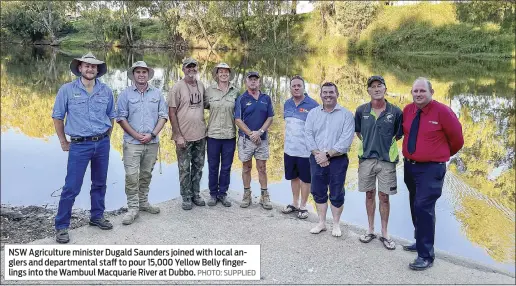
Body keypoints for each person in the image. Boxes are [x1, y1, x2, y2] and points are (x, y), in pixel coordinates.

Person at [51, 52, 116, 243]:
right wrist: (63, 141)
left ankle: (97, 216)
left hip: (102, 143)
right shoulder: (67, 90)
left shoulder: (106, 91)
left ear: (98, 70)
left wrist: (106, 138)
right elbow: (57, 117)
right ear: (80, 68)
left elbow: (111, 115)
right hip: (79, 145)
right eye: (87, 66)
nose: (90, 69)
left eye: (94, 66)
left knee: (99, 183)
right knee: (71, 186)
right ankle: (61, 226)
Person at [402, 77, 464, 270]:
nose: (418, 94)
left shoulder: (443, 112)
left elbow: (457, 141)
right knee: (415, 204)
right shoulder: (408, 110)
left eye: (422, 91)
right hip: (410, 166)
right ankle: (419, 241)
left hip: (431, 168)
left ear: (431, 92)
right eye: (415, 91)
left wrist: (438, 155)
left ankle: (426, 255)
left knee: (423, 206)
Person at [116, 61, 168, 224]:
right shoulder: (125, 94)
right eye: (138, 72)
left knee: (146, 174)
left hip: (152, 142)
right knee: (132, 176)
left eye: (144, 72)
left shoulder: (157, 94)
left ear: (148, 75)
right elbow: (121, 118)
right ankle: (132, 208)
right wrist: (136, 135)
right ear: (133, 75)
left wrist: (152, 134)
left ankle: (143, 202)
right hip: (132, 143)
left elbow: (163, 116)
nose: (141, 74)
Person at [355, 75, 403, 250]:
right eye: (372, 86)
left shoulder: (395, 112)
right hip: (366, 159)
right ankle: (370, 230)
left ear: (385, 89)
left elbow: (398, 135)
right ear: (368, 90)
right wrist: (370, 143)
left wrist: (382, 143)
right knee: (369, 194)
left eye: (379, 86)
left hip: (386, 161)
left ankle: (384, 233)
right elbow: (359, 132)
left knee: (384, 197)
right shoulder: (361, 111)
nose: (376, 89)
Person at [305, 82, 354, 237]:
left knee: (336, 193)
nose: (328, 95)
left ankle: (336, 224)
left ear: (337, 94)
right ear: (320, 95)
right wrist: (319, 154)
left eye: (331, 92)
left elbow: (346, 140)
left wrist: (327, 155)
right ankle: (321, 223)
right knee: (318, 191)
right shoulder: (313, 113)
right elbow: (308, 135)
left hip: (337, 160)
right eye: (325, 92)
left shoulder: (346, 114)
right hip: (316, 157)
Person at [167, 57, 207, 210]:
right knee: (184, 169)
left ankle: (196, 194)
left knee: (198, 167)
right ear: (183, 69)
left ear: (197, 68)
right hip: (184, 136)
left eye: (194, 67)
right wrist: (177, 135)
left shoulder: (201, 85)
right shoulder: (177, 87)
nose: (191, 69)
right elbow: (171, 112)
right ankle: (186, 197)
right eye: (188, 67)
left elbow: (208, 104)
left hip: (200, 135)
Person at [234, 71, 274, 209]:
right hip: (246, 139)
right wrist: (251, 134)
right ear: (246, 82)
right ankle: (247, 194)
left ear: (259, 82)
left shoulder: (266, 98)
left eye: (255, 80)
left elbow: (270, 117)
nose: (253, 82)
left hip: (262, 139)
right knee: (246, 167)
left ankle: (264, 196)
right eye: (250, 80)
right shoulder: (241, 99)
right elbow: (237, 120)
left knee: (262, 168)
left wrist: (260, 132)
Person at [281, 75, 319, 219]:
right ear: (290, 88)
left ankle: (303, 206)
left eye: (299, 85)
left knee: (305, 179)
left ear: (304, 87)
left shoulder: (313, 105)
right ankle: (295, 203)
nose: (296, 88)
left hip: (305, 151)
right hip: (290, 149)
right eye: (293, 86)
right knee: (293, 177)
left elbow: (318, 129)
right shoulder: (287, 104)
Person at [204, 63, 239, 207]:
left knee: (226, 167)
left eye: (226, 71)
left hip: (229, 136)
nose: (224, 74)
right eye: (221, 71)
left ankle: (223, 194)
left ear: (229, 74)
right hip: (212, 135)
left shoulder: (236, 92)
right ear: (217, 74)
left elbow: (240, 114)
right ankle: (213, 194)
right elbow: (204, 107)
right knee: (213, 166)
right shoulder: (209, 91)